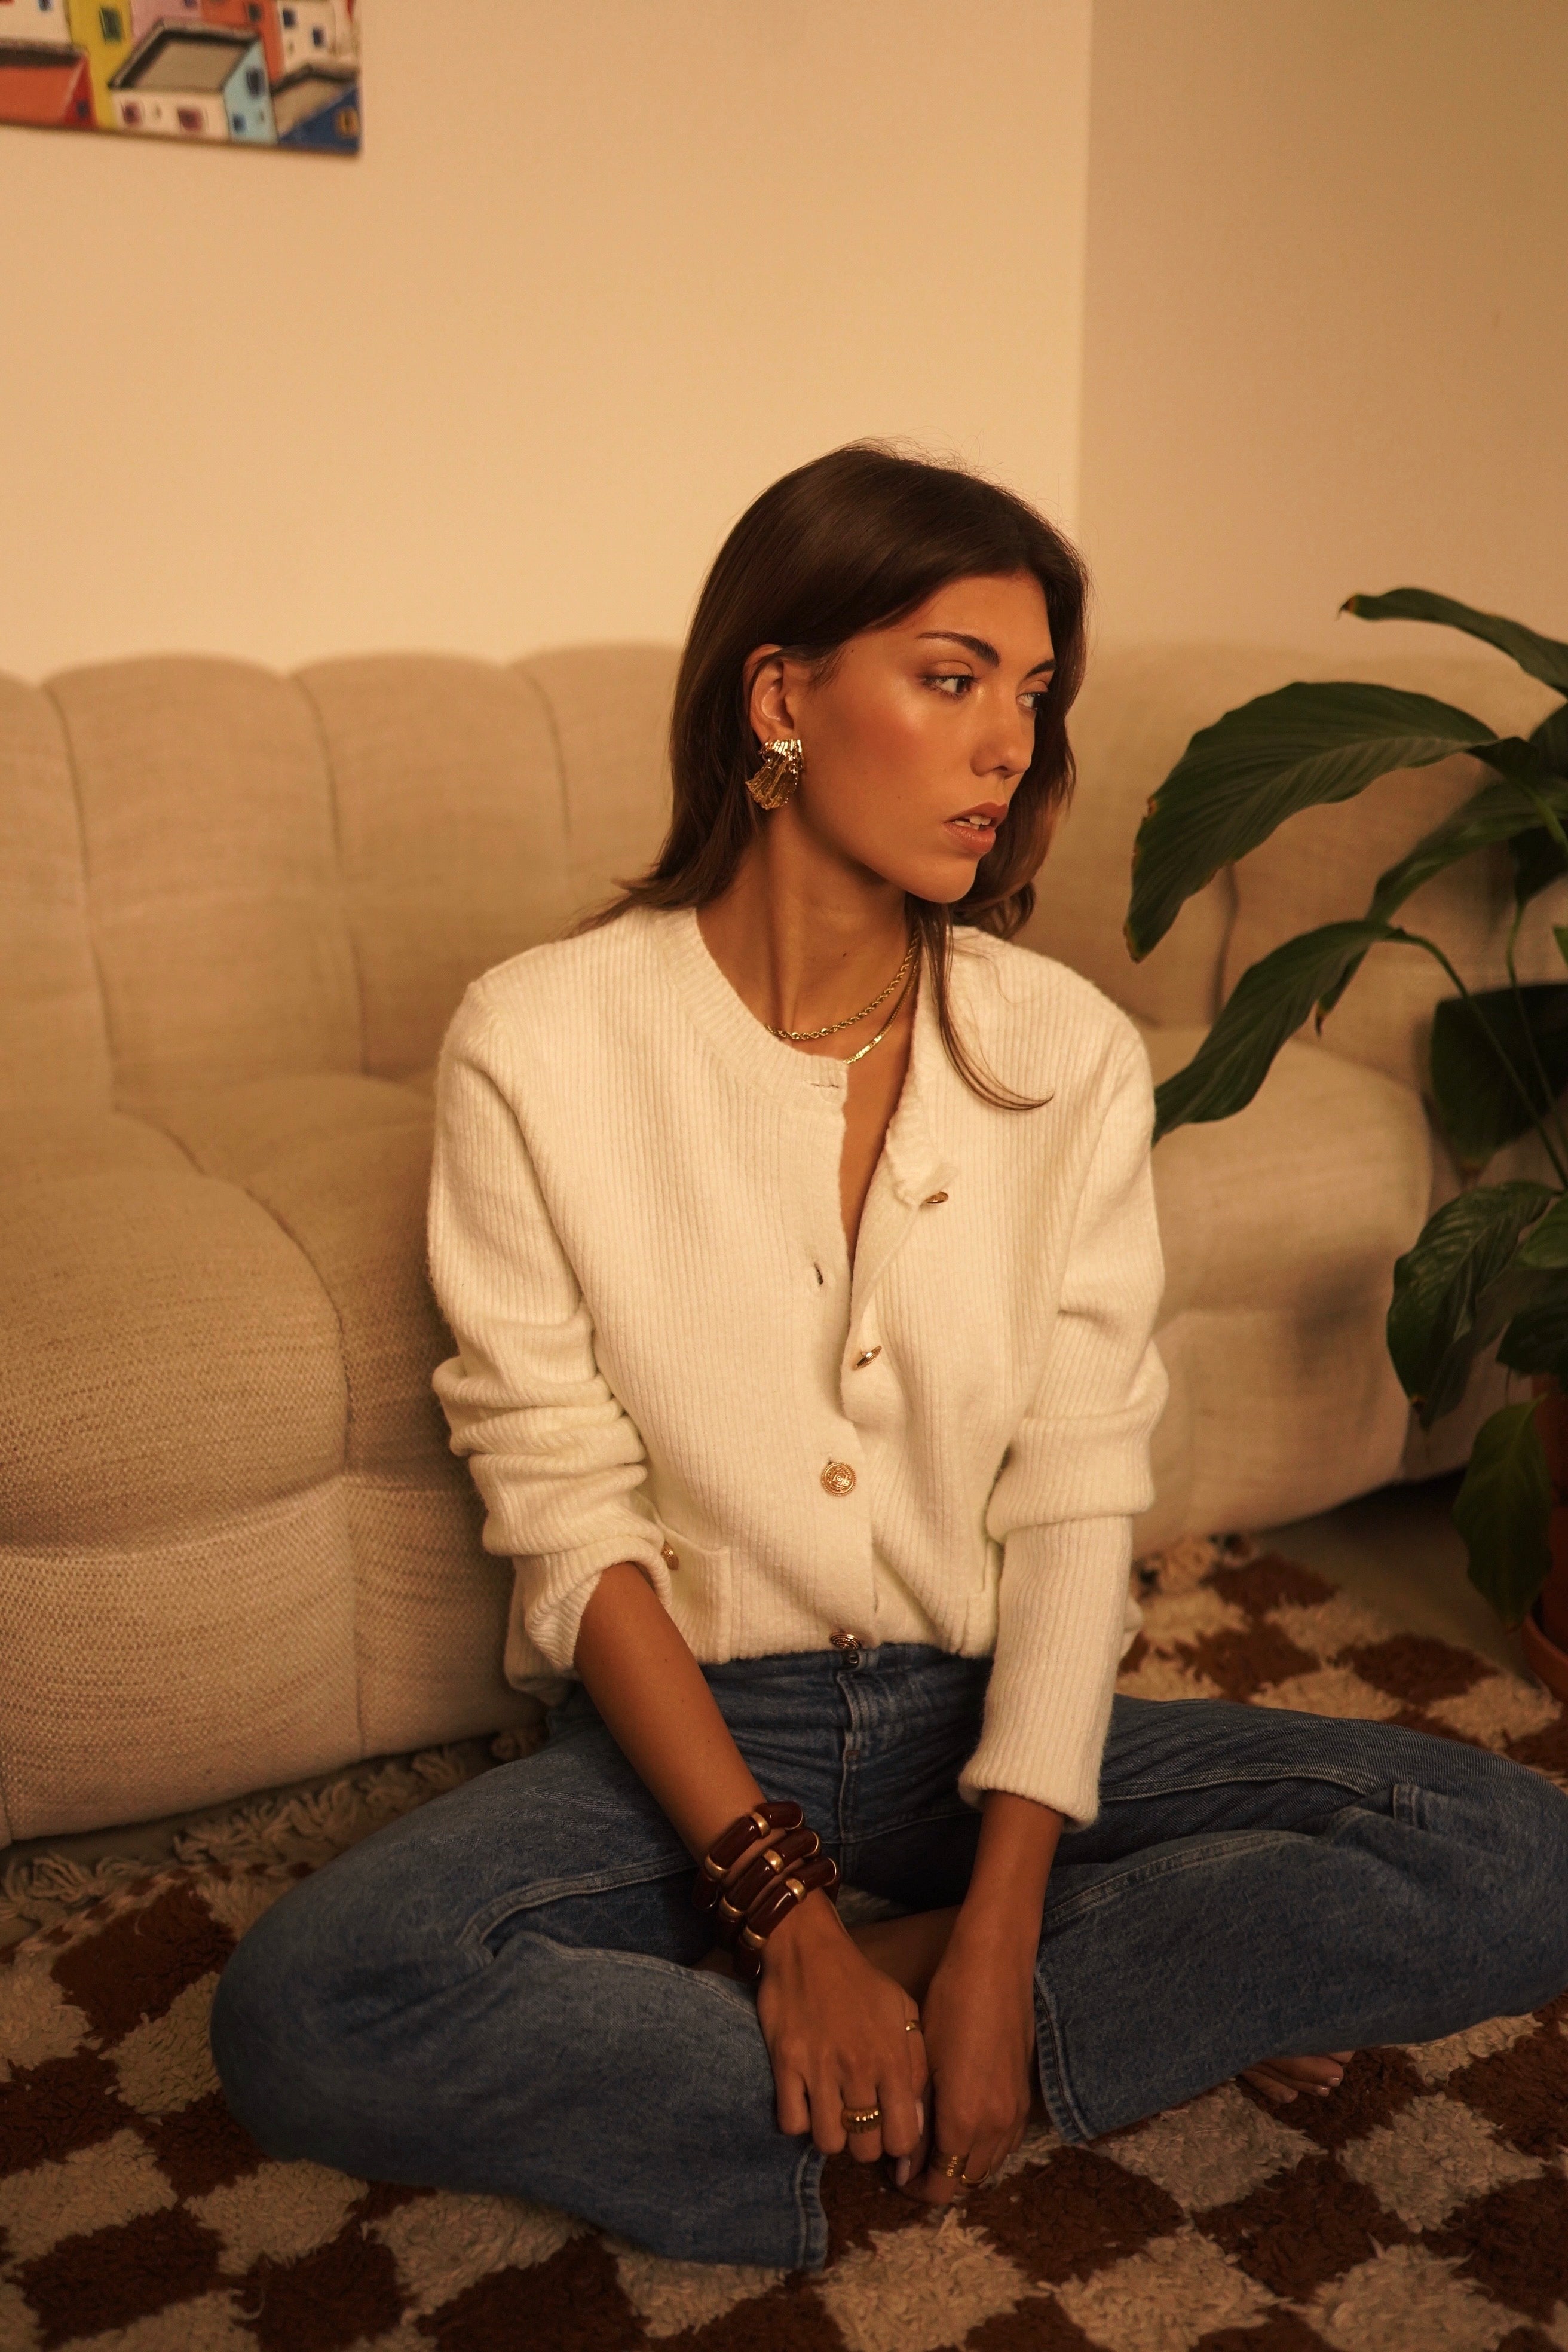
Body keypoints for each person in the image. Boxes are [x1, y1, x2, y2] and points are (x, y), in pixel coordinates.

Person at [210, 445, 1568, 2270]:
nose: (1012, 745)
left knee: (1517, 1857)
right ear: (781, 696)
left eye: (1034, 694)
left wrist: (994, 1946)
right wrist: (786, 1919)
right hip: (692, 1750)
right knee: (308, 2006)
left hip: (978, 1722)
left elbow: (1077, 1500)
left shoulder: (1066, 1055)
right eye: (952, 678)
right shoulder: (538, 1046)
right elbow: (566, 1512)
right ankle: (1000, 2023)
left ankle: (922, 2007)